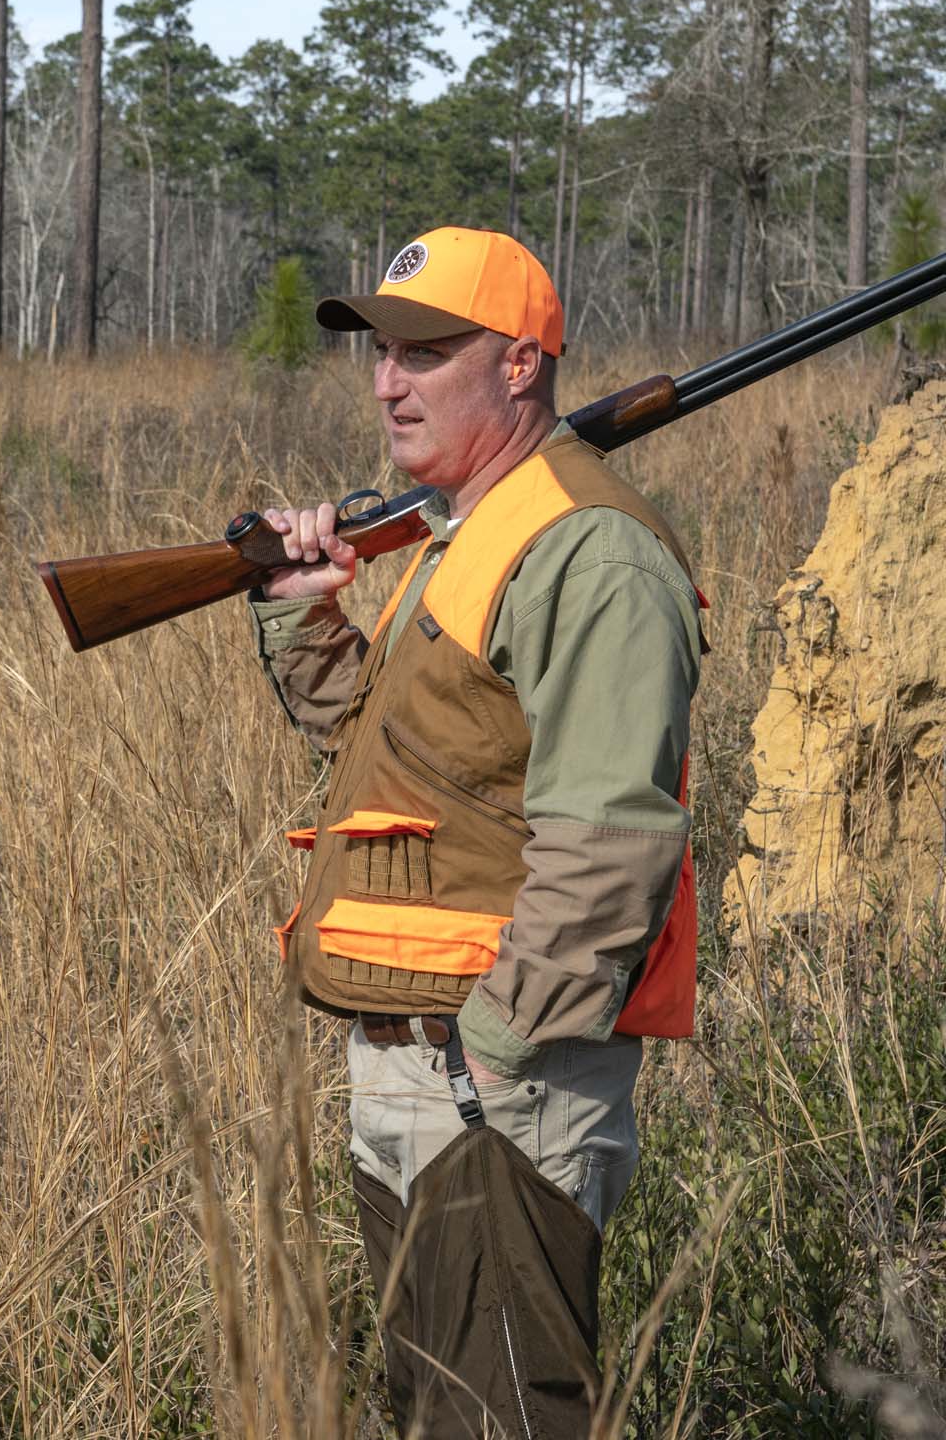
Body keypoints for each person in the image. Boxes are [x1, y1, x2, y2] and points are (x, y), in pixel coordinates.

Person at [250, 226, 704, 1437]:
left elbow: (611, 841)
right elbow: (403, 754)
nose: (387, 380)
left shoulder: (587, 549)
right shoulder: (461, 533)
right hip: (412, 1068)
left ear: (517, 364)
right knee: (438, 1411)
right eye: (380, 352)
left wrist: (490, 1052)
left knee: (502, 1417)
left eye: (424, 349)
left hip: (494, 1085)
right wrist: (309, 617)